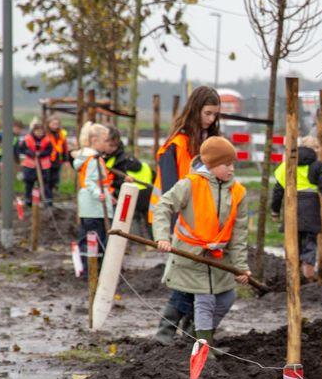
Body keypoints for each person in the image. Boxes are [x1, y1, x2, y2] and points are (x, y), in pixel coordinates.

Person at [152, 135, 250, 347]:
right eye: (226, 164)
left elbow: (239, 234)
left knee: (225, 298)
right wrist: (162, 237)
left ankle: (192, 338)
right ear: (210, 164)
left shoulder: (238, 192)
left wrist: (240, 267)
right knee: (189, 299)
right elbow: (163, 207)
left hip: (217, 261)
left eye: (233, 164)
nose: (231, 169)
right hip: (188, 256)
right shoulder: (190, 184)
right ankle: (170, 342)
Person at [152, 87, 223, 343]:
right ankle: (167, 334)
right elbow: (170, 193)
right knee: (189, 282)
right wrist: (170, 232)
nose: (212, 120)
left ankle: (191, 336)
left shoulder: (212, 141)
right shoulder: (177, 145)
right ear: (195, 110)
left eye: (215, 115)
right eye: (207, 113)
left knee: (204, 284)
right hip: (184, 226)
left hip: (208, 226)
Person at [271, 134, 322, 284]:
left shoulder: (287, 164)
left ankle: (293, 276)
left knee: (292, 242)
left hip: (292, 207)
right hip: (311, 208)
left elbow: (278, 190)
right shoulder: (317, 165)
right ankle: (309, 274)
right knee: (310, 242)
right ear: (317, 149)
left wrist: (275, 210)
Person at [73, 123, 113, 278]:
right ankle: (92, 272)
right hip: (95, 207)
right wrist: (99, 194)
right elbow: (90, 182)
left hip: (90, 206)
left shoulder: (88, 157)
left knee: (89, 238)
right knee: (96, 239)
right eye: (105, 140)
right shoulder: (93, 159)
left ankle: (90, 270)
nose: (107, 143)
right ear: (95, 140)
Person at [101, 126, 154, 230]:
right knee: (143, 223)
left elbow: (118, 181)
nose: (110, 148)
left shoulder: (122, 160)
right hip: (138, 192)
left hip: (140, 193)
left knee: (141, 223)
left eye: (112, 145)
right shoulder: (115, 157)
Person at [18, 120, 58, 205]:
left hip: (43, 166)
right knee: (29, 184)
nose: (39, 133)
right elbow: (22, 149)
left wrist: (41, 154)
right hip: (30, 166)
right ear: (33, 131)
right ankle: (28, 201)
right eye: (37, 131)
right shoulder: (27, 139)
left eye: (41, 132)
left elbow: (49, 150)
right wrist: (31, 153)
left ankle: (48, 203)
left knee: (45, 185)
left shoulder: (47, 140)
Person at [45, 114, 69, 191]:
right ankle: (47, 195)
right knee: (47, 178)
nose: (55, 126)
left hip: (57, 160)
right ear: (48, 124)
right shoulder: (45, 134)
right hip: (46, 159)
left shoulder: (61, 134)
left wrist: (66, 160)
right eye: (53, 124)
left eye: (57, 124)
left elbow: (65, 147)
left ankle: (52, 192)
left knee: (55, 179)